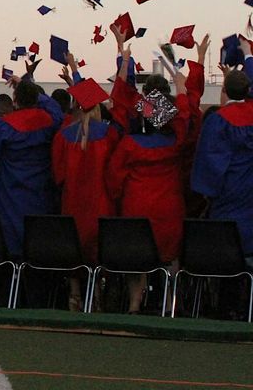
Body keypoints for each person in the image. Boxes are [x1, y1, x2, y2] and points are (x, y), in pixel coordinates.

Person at [107, 41, 199, 313]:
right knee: (170, 257)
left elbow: (114, 179)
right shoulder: (175, 143)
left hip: (136, 205)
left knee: (138, 256)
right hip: (168, 206)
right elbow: (184, 115)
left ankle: (135, 303)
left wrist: (124, 60)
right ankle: (171, 302)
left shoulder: (129, 145)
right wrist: (180, 85)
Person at [0, 58, 66, 258]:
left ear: (15, 100)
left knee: (9, 249)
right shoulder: (49, 121)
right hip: (40, 195)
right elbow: (57, 110)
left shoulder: (2, 126)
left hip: (10, 195)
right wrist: (30, 88)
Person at [50, 52, 121, 310]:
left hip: (73, 204)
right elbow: (115, 174)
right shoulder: (110, 134)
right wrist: (123, 58)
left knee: (74, 250)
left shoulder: (64, 136)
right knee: (98, 253)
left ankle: (75, 295)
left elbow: (58, 176)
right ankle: (98, 298)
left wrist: (73, 73)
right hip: (101, 204)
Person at [191, 35, 253, 262]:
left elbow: (209, 165)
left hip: (227, 205)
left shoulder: (217, 120)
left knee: (227, 270)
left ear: (224, 90)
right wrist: (248, 55)